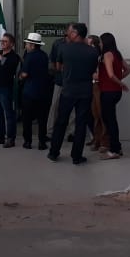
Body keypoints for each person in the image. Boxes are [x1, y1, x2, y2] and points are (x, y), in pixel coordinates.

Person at [47, 23, 99, 165]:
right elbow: (93, 70)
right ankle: (77, 156)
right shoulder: (93, 52)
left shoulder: (64, 48)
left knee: (61, 122)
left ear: (76, 33)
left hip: (68, 90)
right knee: (81, 124)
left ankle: (54, 152)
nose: (68, 33)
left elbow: (58, 67)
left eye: (70, 31)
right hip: (85, 91)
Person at [97, 32, 130, 160]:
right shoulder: (117, 54)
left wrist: (120, 83)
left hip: (108, 91)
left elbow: (110, 75)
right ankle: (117, 146)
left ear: (105, 42)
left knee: (110, 120)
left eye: (100, 42)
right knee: (110, 119)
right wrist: (119, 81)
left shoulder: (107, 55)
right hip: (115, 92)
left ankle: (114, 150)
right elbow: (127, 70)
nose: (99, 44)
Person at [18, 32, 50, 150]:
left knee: (27, 118)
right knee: (42, 119)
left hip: (30, 92)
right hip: (43, 92)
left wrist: (20, 77)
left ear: (32, 45)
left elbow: (25, 74)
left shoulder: (29, 56)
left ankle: (28, 141)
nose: (26, 46)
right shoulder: (44, 55)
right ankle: (42, 142)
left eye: (27, 44)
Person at [85, 35, 105, 151]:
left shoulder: (101, 57)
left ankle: (103, 141)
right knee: (93, 115)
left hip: (98, 86)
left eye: (90, 44)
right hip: (90, 86)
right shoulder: (90, 56)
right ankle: (96, 139)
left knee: (100, 114)